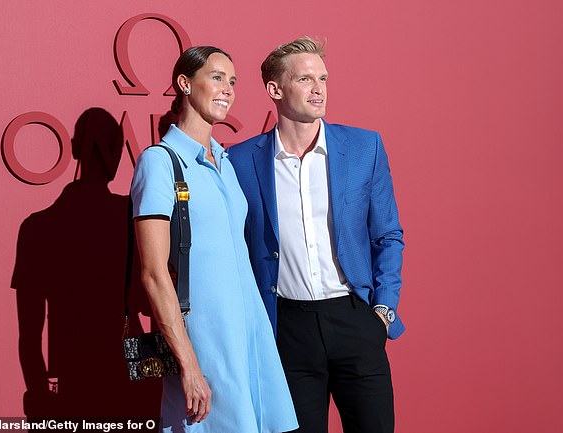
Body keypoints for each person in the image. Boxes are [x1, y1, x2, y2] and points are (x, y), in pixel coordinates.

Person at [228, 37, 405, 433]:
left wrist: (383, 311)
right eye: (305, 79)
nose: (319, 88)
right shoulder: (240, 160)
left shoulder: (364, 147)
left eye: (322, 78)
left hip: (355, 319)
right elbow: (234, 251)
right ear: (275, 89)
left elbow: (388, 236)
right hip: (287, 329)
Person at [130, 46, 298, 433]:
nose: (228, 89)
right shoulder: (159, 162)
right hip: (204, 339)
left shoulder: (224, 161)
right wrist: (189, 365)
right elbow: (154, 274)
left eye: (233, 81)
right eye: (217, 77)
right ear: (185, 84)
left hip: (250, 335)